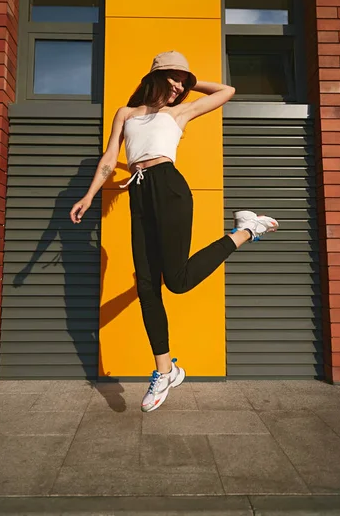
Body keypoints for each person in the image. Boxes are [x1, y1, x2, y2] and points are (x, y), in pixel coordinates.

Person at [70, 51, 279, 412]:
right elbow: (109, 159)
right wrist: (89, 196)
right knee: (148, 287)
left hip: (169, 187)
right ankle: (165, 371)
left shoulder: (179, 112)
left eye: (184, 82)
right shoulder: (126, 113)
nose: (179, 87)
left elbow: (227, 90)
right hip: (138, 192)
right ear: (156, 76)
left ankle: (246, 230)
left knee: (177, 281)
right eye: (174, 79)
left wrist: (190, 82)